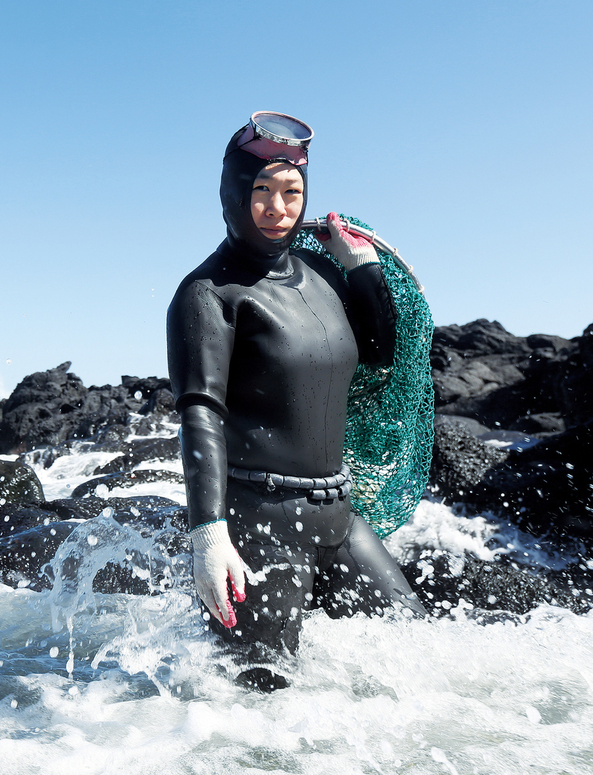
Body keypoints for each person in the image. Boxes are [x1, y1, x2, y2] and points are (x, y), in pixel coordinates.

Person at [166, 112, 426, 691]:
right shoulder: (208, 294)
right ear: (232, 194)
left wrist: (360, 269)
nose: (278, 208)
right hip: (259, 517)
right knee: (260, 703)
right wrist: (207, 533)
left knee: (417, 654)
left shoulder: (321, 277)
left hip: (338, 512)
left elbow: (382, 356)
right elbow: (199, 412)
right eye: (261, 191)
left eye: (292, 193)